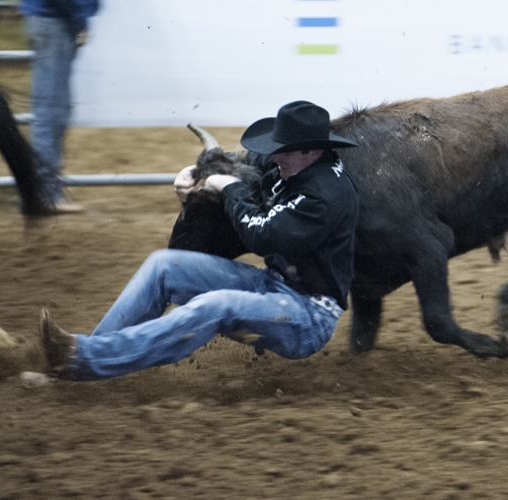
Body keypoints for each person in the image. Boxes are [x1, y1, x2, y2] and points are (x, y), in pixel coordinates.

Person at [39, 101, 360, 381]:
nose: (275, 155)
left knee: (215, 306)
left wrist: (229, 189)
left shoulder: (326, 196)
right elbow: (243, 163)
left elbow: (263, 236)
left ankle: (82, 360)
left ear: (313, 150)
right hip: (275, 286)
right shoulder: (293, 165)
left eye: (284, 149)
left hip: (307, 315)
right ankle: (80, 361)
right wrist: (198, 173)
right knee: (164, 266)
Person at [19, 0, 100, 214]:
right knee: (51, 113)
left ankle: (44, 192)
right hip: (55, 18)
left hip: (53, 17)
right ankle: (44, 194)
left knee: (52, 111)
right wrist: (80, 20)